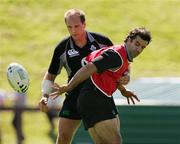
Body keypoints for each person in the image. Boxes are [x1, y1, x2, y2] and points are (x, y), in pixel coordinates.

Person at [38, 8, 130, 144]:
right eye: (69, 27)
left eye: (77, 26)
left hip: (99, 96)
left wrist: (126, 75)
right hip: (74, 96)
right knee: (63, 137)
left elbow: (122, 59)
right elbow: (51, 75)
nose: (73, 31)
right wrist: (44, 96)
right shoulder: (62, 48)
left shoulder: (102, 42)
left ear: (84, 24)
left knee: (110, 141)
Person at [49, 27, 152, 144]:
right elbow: (89, 67)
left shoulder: (122, 56)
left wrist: (123, 91)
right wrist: (69, 86)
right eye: (137, 44)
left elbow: (109, 76)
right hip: (94, 97)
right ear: (128, 40)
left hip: (99, 97)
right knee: (115, 141)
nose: (138, 49)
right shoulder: (116, 55)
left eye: (142, 47)